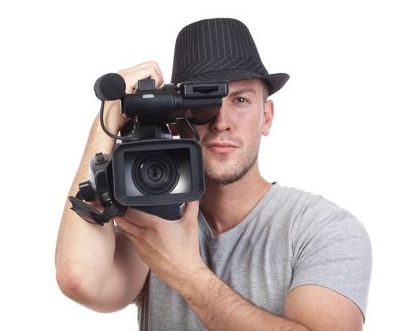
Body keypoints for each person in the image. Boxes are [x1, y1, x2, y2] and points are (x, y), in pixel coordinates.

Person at [55, 18, 372, 331]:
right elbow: (78, 279)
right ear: (176, 118)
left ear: (267, 116)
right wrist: (105, 120)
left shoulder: (320, 228)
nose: (222, 122)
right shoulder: (155, 220)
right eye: (204, 102)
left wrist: (184, 270)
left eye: (241, 100)